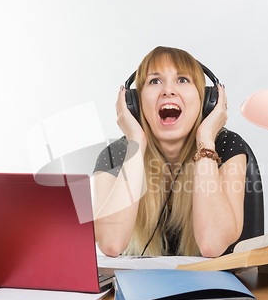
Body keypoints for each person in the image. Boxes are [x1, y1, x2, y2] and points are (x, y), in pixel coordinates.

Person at [92, 46, 249, 258]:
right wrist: (136, 143)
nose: (168, 90)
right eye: (154, 81)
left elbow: (213, 244)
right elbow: (111, 244)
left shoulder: (226, 146)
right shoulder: (116, 155)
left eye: (182, 80)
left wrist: (205, 140)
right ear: (134, 103)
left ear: (207, 100)